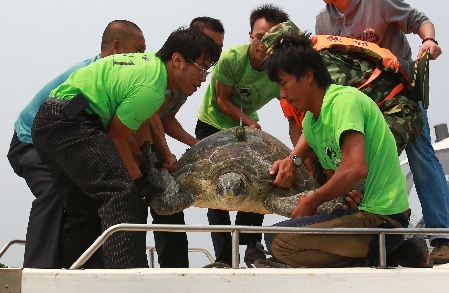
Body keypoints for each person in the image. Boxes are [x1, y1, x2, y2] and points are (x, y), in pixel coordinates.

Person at [30, 27, 220, 269]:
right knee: (121, 191)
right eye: (202, 67)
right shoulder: (152, 87)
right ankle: (127, 276)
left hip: (51, 120)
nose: (204, 77)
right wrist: (141, 183)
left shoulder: (149, 64)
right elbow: (117, 137)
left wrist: (151, 160)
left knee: (84, 209)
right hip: (70, 122)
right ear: (178, 60)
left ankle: (69, 277)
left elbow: (138, 128)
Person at [261, 28, 410, 268]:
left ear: (308, 75)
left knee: (279, 241)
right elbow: (339, 175)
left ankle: (388, 252)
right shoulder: (311, 121)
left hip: (383, 220)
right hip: (360, 215)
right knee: (278, 240)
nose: (283, 94)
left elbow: (355, 169)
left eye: (284, 83)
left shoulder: (343, 101)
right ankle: (388, 255)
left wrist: (311, 202)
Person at [315, 0, 449, 264]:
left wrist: (429, 41)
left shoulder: (377, 3)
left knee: (420, 157)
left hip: (401, 95)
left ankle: (442, 235)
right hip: (362, 104)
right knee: (360, 163)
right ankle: (376, 236)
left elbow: (420, 21)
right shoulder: (323, 21)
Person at [7, 20, 146, 269]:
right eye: (138, 51)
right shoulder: (90, 74)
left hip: (67, 141)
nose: (142, 58)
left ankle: (85, 265)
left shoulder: (123, 79)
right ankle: (38, 269)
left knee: (94, 194)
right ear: (116, 47)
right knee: (55, 191)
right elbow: (66, 120)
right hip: (30, 142)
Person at [194, 4, 289, 267]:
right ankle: (224, 256)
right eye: (259, 37)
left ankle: (251, 244)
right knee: (216, 188)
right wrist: (250, 124)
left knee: (263, 177)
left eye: (270, 39)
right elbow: (223, 101)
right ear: (250, 35)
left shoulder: (278, 69)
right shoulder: (232, 59)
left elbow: (292, 106)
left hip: (246, 128)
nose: (263, 44)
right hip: (214, 123)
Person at [138, 17, 225, 269]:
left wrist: (194, 143)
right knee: (144, 200)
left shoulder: (185, 83)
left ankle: (175, 270)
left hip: (150, 147)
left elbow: (166, 118)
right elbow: (150, 113)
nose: (215, 53)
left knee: (170, 203)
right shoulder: (159, 75)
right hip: (134, 145)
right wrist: (165, 154)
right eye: (210, 48)